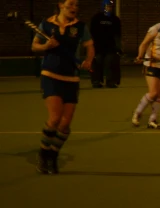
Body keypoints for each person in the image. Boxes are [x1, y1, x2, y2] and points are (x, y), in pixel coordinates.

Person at [31, 0, 94, 174]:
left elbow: (89, 46)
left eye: (76, 5)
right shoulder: (46, 24)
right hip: (50, 75)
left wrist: (88, 61)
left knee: (65, 125)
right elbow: (34, 46)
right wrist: (46, 46)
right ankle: (43, 155)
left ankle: (53, 155)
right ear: (60, 5)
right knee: (54, 118)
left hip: (71, 77)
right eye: (71, 4)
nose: (75, 8)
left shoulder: (81, 27)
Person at [89, 0, 122, 88]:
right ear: (103, 7)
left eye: (110, 7)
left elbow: (118, 34)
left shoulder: (115, 19)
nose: (109, 8)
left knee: (110, 62)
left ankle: (111, 81)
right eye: (107, 6)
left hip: (111, 46)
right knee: (97, 62)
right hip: (98, 46)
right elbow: (91, 32)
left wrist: (118, 47)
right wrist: (91, 46)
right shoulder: (96, 18)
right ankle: (96, 81)